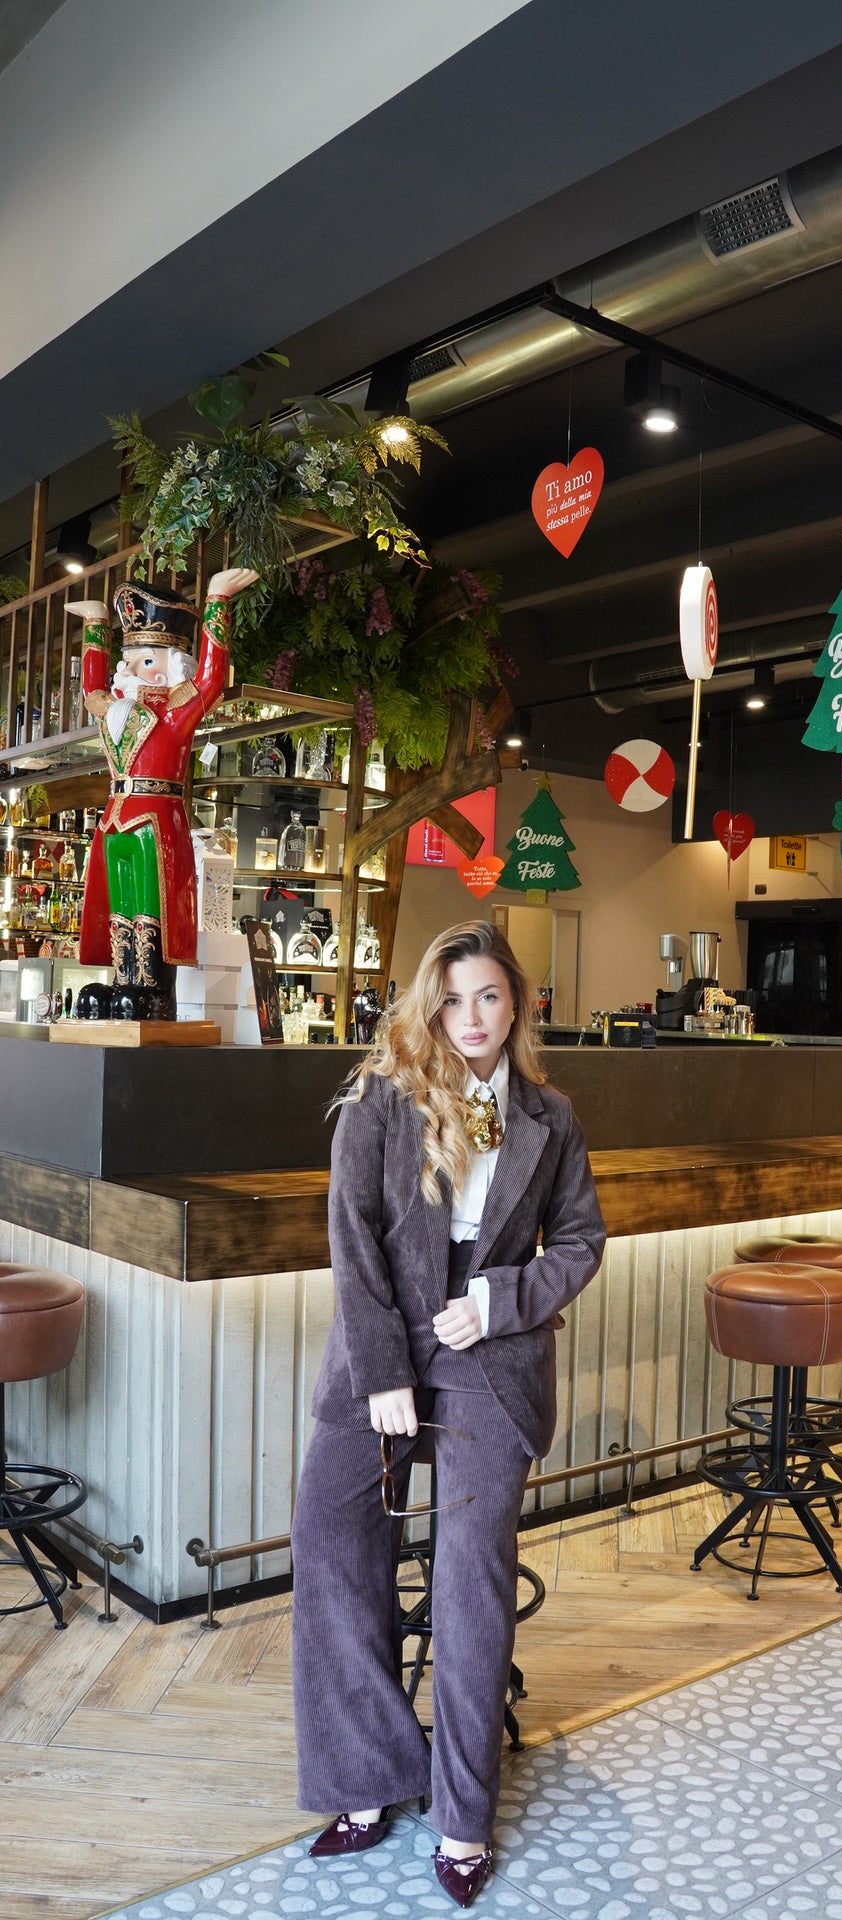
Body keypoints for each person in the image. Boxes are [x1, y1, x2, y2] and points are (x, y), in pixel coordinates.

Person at [292, 919, 606, 1908]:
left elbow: (581, 1242)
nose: (471, 1018)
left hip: (490, 1353)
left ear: (517, 1006)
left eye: (489, 997)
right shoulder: (379, 1099)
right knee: (332, 1536)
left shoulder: (549, 1116)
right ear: (431, 1005)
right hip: (382, 1339)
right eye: (454, 999)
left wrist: (500, 1302)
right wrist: (383, 1371)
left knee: (472, 1577)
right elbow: (354, 1240)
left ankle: (464, 1812)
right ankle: (369, 1772)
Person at [65, 569, 258, 1017]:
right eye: (129, 659)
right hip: (116, 820)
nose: (132, 669)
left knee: (152, 905)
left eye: (146, 660)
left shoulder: (175, 710)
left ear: (174, 667)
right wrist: (96, 623)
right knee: (121, 904)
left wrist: (218, 599)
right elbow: (91, 688)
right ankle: (123, 982)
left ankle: (152, 991)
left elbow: (212, 679)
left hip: (156, 820)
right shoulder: (113, 711)